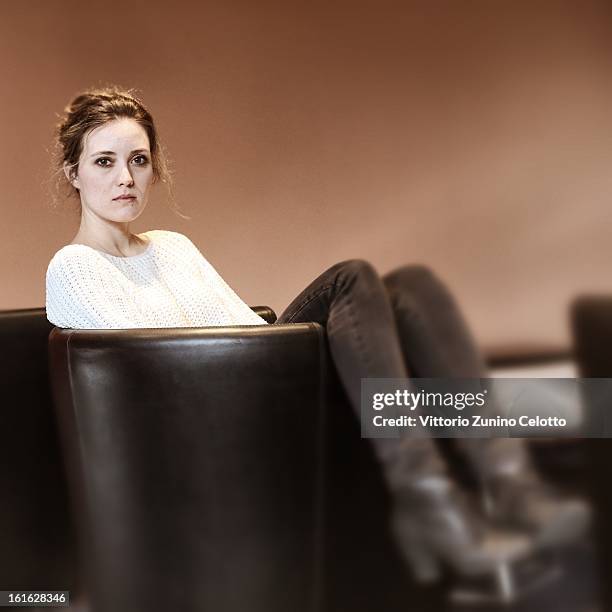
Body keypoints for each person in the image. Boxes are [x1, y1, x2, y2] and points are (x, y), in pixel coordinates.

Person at [46, 87, 588, 587]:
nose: (125, 178)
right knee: (353, 277)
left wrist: (289, 347)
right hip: (207, 425)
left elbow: (250, 331)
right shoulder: (73, 266)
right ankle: (432, 505)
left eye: (138, 160)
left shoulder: (172, 245)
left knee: (410, 289)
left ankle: (506, 484)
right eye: (105, 161)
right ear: (73, 172)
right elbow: (147, 375)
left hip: (259, 383)